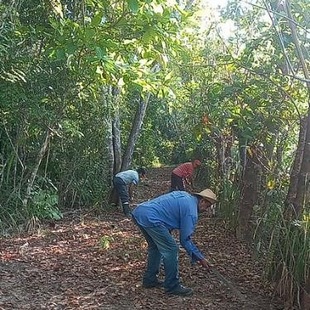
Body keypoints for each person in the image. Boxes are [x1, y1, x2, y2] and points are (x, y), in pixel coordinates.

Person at [131, 188, 217, 296]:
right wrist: (200, 258)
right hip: (152, 218)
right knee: (171, 249)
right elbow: (185, 240)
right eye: (207, 206)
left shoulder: (184, 195)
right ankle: (172, 286)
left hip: (140, 212)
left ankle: (150, 280)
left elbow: (167, 214)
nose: (206, 209)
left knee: (155, 247)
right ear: (202, 201)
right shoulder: (191, 211)